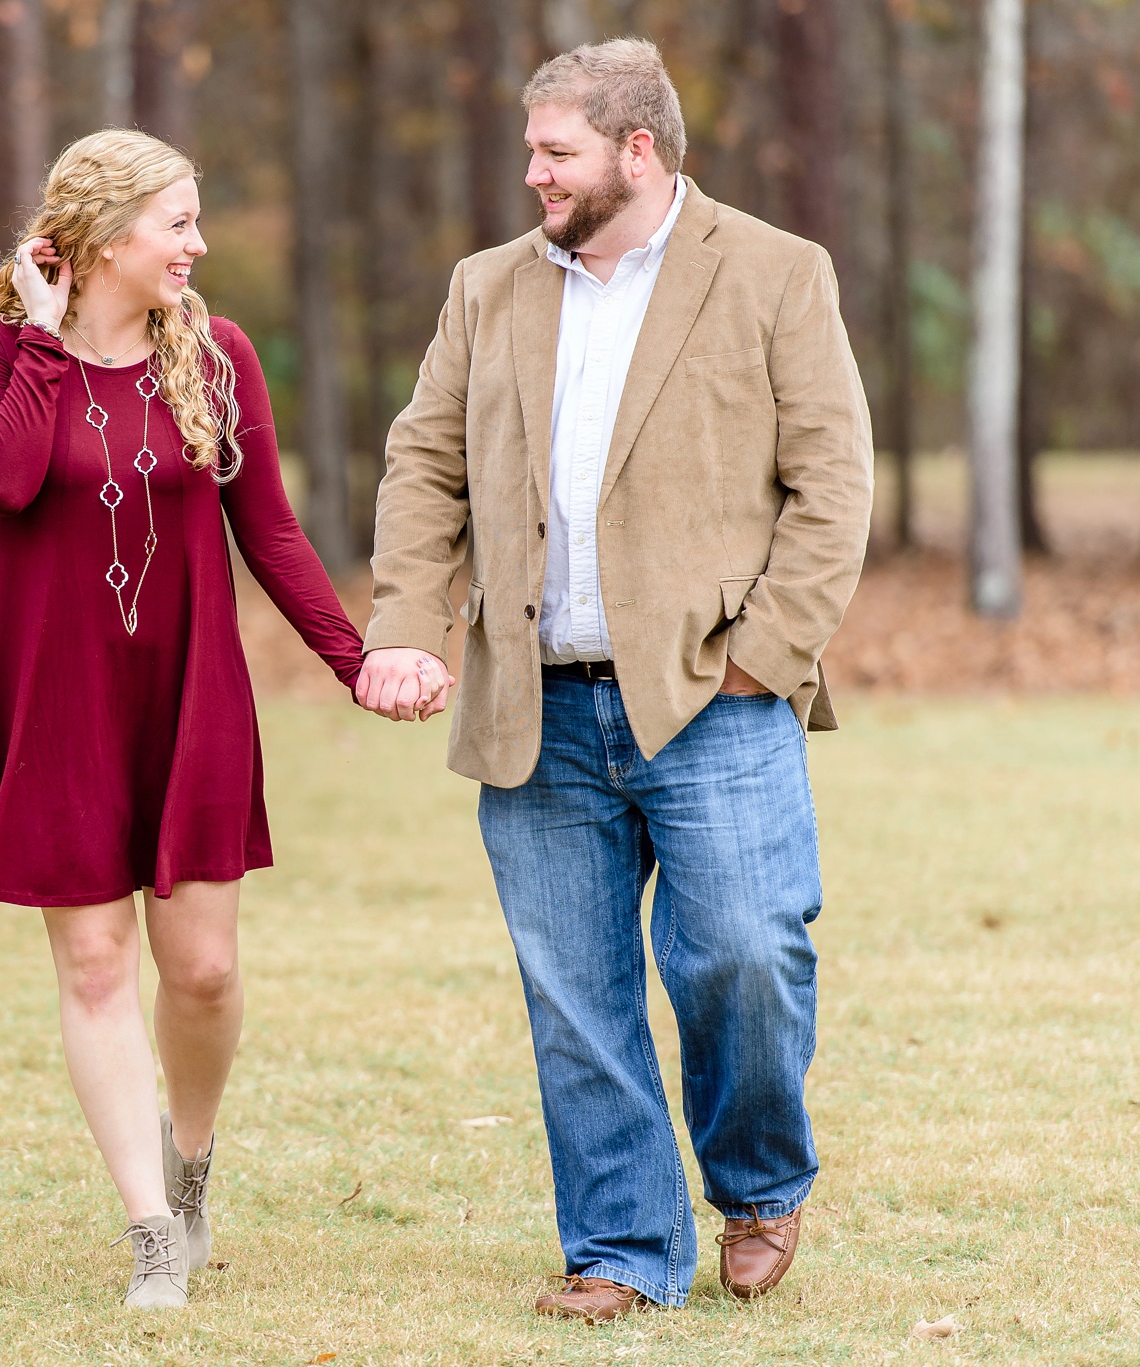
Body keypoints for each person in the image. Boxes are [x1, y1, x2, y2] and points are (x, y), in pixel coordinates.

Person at [357, 38, 872, 1322]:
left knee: (745, 955)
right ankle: (621, 1251)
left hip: (713, 697)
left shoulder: (770, 272)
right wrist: (408, 622)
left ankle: (757, 1182)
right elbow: (424, 468)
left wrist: (764, 654)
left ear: (636, 151)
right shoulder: (484, 290)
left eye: (555, 151)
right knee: (575, 993)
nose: (532, 172)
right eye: (532, 149)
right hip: (533, 702)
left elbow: (832, 485)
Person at [0, 129, 395, 1310]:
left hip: (186, 689)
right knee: (93, 960)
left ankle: (185, 1165)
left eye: (196, 221)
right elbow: (0, 476)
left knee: (198, 970)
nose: (197, 244)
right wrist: (47, 341)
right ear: (98, 238)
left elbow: (273, 531)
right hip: (54, 692)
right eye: (177, 223)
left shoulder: (217, 353)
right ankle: (149, 1228)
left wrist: (352, 661)